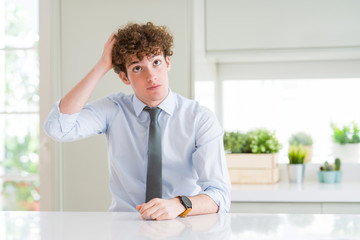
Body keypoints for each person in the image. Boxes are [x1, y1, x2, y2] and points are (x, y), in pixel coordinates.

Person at [44, 22, 231, 220]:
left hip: (182, 225)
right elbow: (58, 128)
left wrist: (178, 204)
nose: (151, 76)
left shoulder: (199, 118)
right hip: (124, 226)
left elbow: (219, 195)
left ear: (168, 63)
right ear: (124, 77)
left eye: (156, 62)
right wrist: (102, 66)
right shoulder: (113, 109)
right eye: (137, 68)